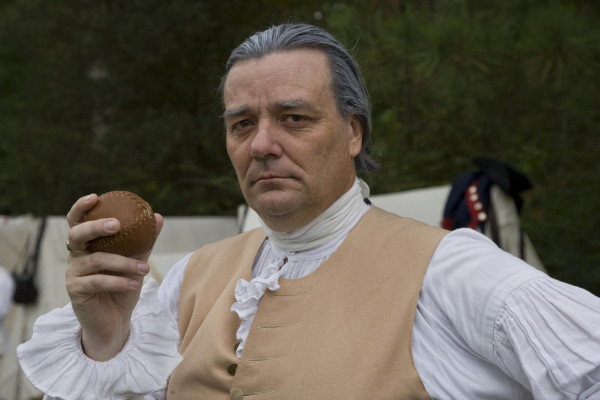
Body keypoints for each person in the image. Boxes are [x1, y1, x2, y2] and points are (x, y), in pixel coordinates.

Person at [17, 23, 600, 400]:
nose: (262, 144)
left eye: (293, 118)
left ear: (352, 132)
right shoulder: (191, 278)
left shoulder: (449, 272)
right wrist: (106, 339)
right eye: (242, 123)